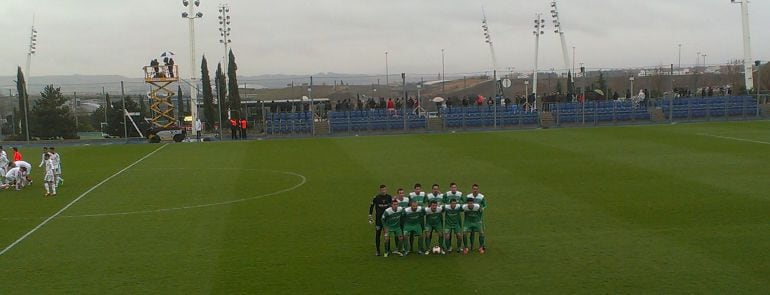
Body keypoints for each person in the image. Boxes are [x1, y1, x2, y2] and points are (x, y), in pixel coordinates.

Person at [368, 184, 392, 256]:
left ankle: (388, 249)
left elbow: (391, 206)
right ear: (380, 190)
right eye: (382, 190)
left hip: (387, 219)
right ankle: (378, 250)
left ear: (386, 190)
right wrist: (370, 215)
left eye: (384, 190)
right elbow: (371, 206)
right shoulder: (376, 198)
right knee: (378, 234)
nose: (383, 191)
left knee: (387, 234)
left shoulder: (389, 197)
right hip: (379, 219)